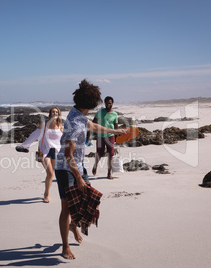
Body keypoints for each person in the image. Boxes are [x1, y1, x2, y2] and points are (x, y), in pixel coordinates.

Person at [54, 80, 127, 259]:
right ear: (92, 103)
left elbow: (92, 126)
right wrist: (78, 177)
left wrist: (115, 132)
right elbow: (68, 155)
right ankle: (65, 246)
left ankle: (73, 226)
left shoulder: (78, 113)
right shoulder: (74, 123)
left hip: (78, 165)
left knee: (86, 200)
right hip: (66, 169)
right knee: (67, 207)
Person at [15, 107, 63, 203]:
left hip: (56, 151)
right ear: (50, 114)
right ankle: (47, 194)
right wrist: (24, 146)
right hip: (45, 151)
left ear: (58, 113)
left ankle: (46, 192)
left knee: (50, 174)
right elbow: (34, 135)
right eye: (53, 111)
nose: (55, 113)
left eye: (56, 112)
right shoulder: (44, 124)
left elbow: (63, 140)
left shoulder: (61, 125)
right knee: (50, 172)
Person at [92, 96, 119, 180]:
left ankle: (109, 173)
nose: (108, 104)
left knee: (111, 154)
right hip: (100, 137)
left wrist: (118, 138)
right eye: (107, 103)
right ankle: (95, 166)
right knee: (99, 154)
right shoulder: (100, 112)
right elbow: (94, 122)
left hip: (110, 137)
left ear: (112, 104)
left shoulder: (114, 114)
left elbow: (116, 127)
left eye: (110, 103)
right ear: (105, 103)